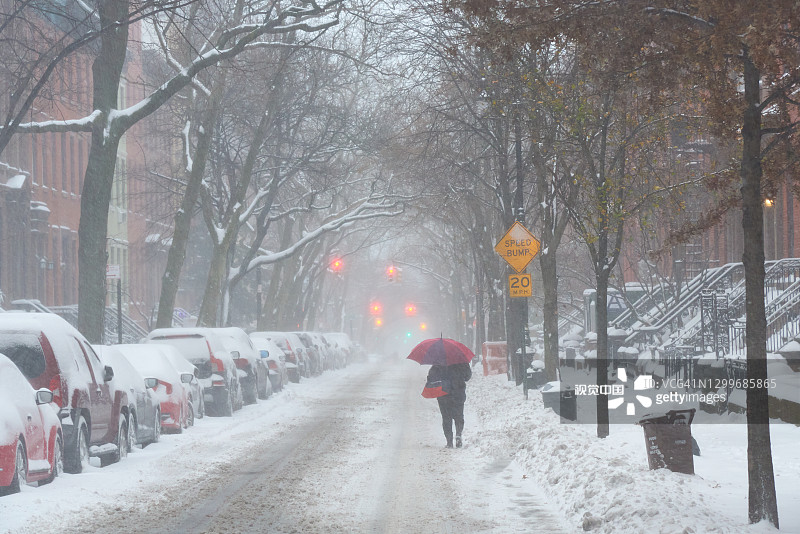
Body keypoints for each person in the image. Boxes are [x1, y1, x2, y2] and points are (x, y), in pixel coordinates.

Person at [427, 362, 472, 448]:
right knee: (459, 416)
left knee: (446, 417)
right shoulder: (461, 361)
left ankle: (449, 441)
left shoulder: (438, 362)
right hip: (458, 393)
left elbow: (431, 377)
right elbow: (467, 376)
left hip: (443, 394)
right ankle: (458, 434)